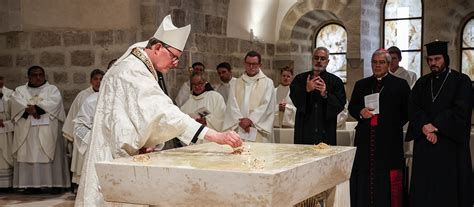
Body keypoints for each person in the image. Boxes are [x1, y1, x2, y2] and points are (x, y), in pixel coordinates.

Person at [75, 15, 242, 206]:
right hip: (115, 160)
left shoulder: (133, 65)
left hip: (118, 155)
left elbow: (131, 117)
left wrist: (143, 141)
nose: (176, 63)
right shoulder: (133, 71)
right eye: (174, 57)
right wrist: (216, 137)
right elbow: (165, 113)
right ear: (157, 48)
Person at [407, 40, 472, 207]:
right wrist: (424, 127)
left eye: (437, 59)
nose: (433, 63)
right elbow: (413, 108)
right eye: (430, 59)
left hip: (449, 146)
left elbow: (461, 110)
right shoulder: (422, 82)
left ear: (445, 58)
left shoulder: (461, 81)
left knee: (448, 190)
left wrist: (435, 126)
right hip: (425, 145)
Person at [348, 49, 410, 207]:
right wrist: (361, 112)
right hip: (365, 140)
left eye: (381, 62)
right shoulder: (361, 84)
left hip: (389, 141)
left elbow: (407, 111)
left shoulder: (400, 85)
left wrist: (390, 124)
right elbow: (353, 106)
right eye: (374, 62)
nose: (377, 65)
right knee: (364, 176)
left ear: (389, 64)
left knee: (386, 179)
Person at [10, 65, 70, 192]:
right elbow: (15, 103)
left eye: (40, 75)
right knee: (26, 154)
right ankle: (28, 185)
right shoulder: (20, 90)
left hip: (46, 129)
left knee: (46, 151)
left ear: (44, 76)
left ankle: (51, 184)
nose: (38, 77)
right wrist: (30, 110)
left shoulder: (52, 89)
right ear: (28, 77)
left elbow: (55, 103)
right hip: (27, 132)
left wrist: (36, 108)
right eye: (34, 75)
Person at [290, 47, 346, 145]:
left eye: (322, 58)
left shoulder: (336, 81)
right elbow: (294, 98)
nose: (319, 61)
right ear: (312, 60)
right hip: (305, 129)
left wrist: (325, 95)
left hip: (326, 129)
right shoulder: (300, 79)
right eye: (316, 58)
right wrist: (306, 90)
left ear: (327, 62)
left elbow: (340, 104)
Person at [223, 51, 276, 143]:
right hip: (240, 127)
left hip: (258, 129)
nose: (251, 67)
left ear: (260, 65)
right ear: (244, 64)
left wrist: (251, 120)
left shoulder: (268, 83)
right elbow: (232, 105)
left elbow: (268, 106)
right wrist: (241, 120)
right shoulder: (236, 83)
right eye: (248, 64)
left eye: (254, 64)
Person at [63, 69, 104, 185]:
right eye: (95, 79)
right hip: (83, 136)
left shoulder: (107, 94)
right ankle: (81, 186)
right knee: (82, 162)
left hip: (100, 137)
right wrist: (72, 134)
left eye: (101, 79)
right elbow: (74, 115)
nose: (98, 82)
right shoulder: (82, 96)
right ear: (91, 80)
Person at [0, 76, 14, 190]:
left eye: (1, 79)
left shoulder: (9, 93)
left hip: (6, 126)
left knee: (6, 152)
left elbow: (15, 109)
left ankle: (7, 185)